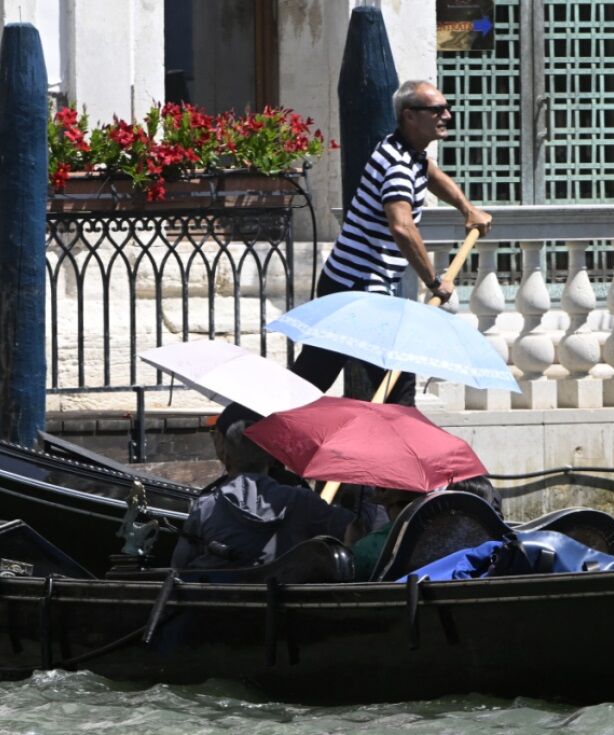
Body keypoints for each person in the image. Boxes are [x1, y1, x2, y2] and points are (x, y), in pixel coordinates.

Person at [291, 79, 492, 406]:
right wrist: (434, 280)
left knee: (315, 376)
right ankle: (248, 429)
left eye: (446, 107)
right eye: (437, 110)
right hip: (357, 288)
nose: (447, 115)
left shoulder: (408, 152)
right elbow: (402, 226)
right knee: (396, 377)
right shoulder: (397, 164)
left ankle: (247, 429)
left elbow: (431, 173)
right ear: (410, 116)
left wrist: (466, 208)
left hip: (351, 285)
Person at [170, 419, 356, 569]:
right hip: (282, 604)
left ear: (226, 458)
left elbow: (180, 565)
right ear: (271, 458)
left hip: (218, 602)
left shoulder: (205, 506)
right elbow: (353, 526)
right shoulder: (301, 500)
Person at [348, 487, 419, 581]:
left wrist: (350, 542)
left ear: (389, 506)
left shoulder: (368, 546)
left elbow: (347, 574)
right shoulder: (438, 534)